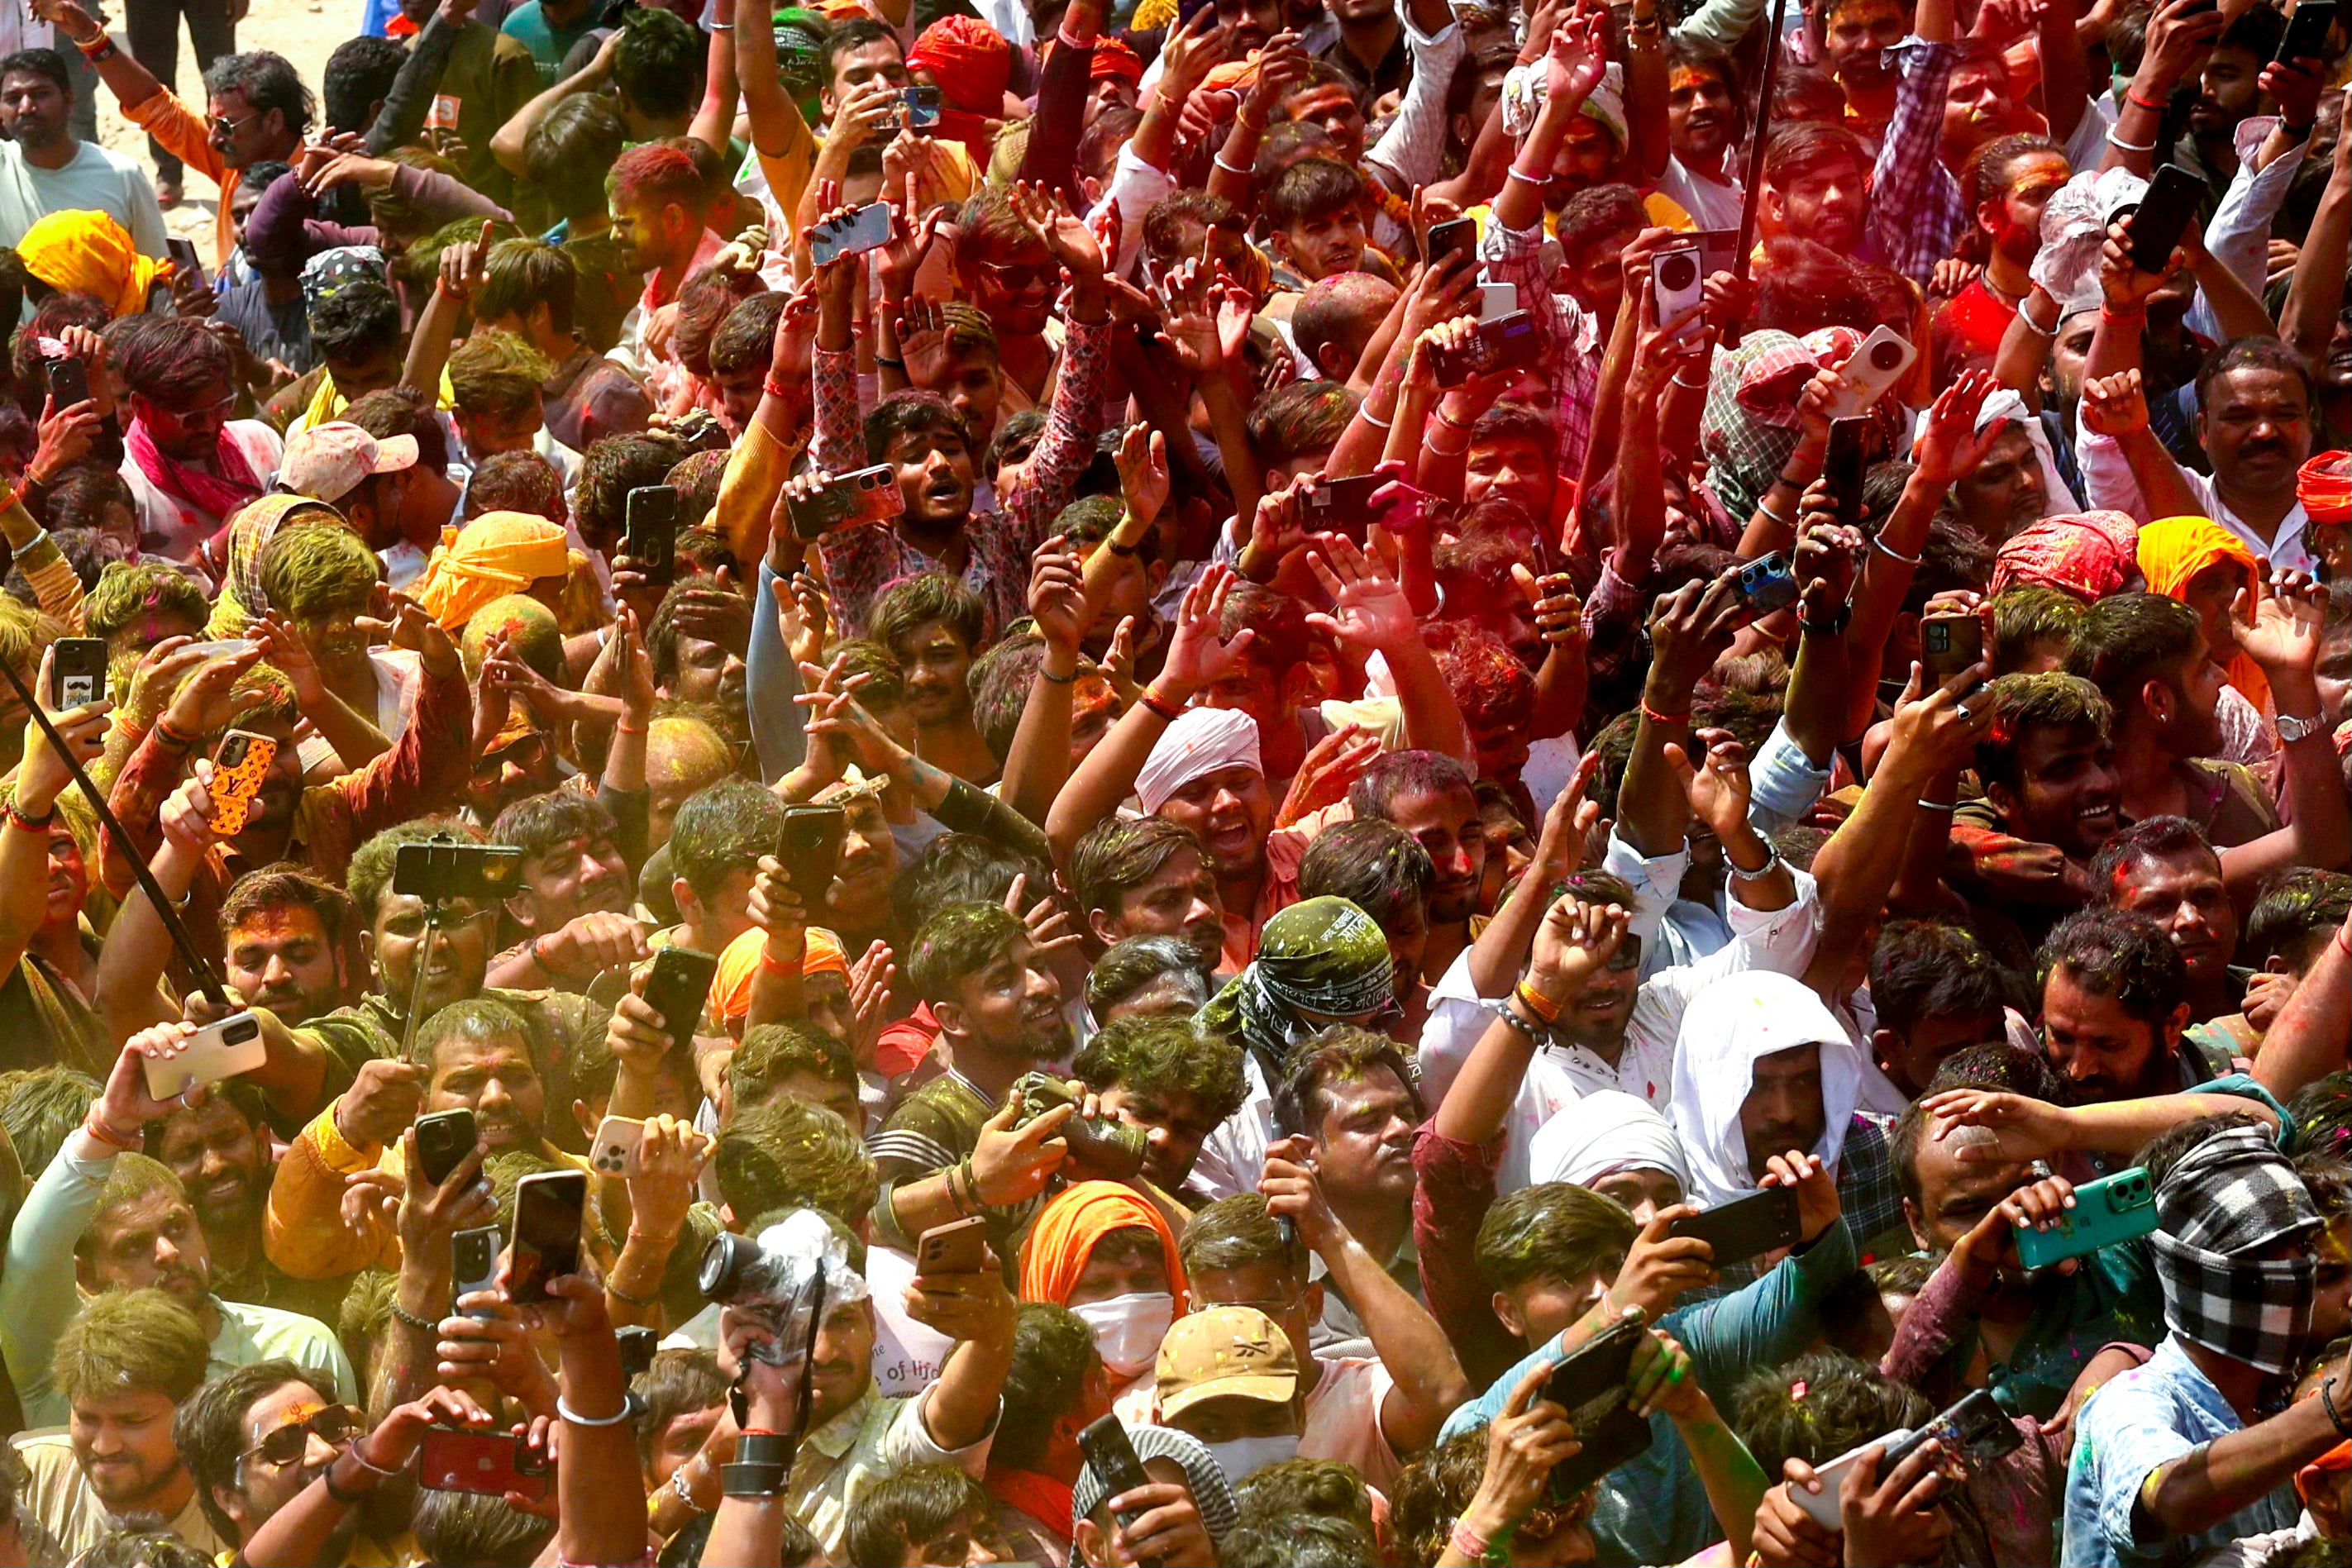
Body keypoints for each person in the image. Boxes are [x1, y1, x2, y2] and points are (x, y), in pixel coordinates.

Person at [9, 1287, 223, 1560]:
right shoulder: (28, 1474)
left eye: (132, 1422)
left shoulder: (237, 1500)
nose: (104, 1446)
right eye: (87, 1419)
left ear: (191, 1411)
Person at [0, 49, 165, 255]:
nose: (26, 108)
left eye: (40, 94)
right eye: (13, 99)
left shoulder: (122, 177)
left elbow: (158, 269)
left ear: (69, 101)